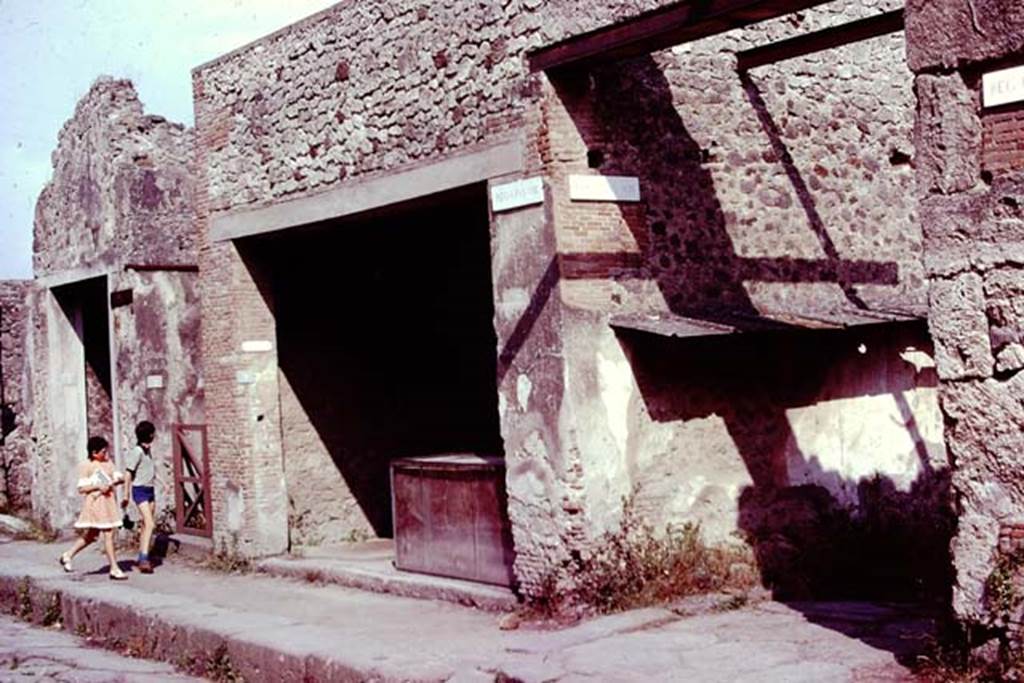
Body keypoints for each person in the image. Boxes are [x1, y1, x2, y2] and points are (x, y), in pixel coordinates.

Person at [58, 436, 127, 580]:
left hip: (108, 503)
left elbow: (119, 477)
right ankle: (114, 568)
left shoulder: (108, 464)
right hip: (96, 504)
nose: (106, 454)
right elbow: (82, 488)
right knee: (108, 533)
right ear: (94, 453)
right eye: (103, 452)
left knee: (91, 535)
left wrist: (115, 480)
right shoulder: (87, 466)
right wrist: (97, 486)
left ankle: (68, 555)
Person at [122, 420, 157, 573]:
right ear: (149, 434)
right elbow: (129, 473)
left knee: (145, 525)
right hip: (140, 490)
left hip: (150, 490)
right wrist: (126, 494)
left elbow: (150, 469)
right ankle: (144, 558)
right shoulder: (137, 452)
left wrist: (162, 482)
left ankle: (142, 555)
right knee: (150, 524)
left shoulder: (148, 451)